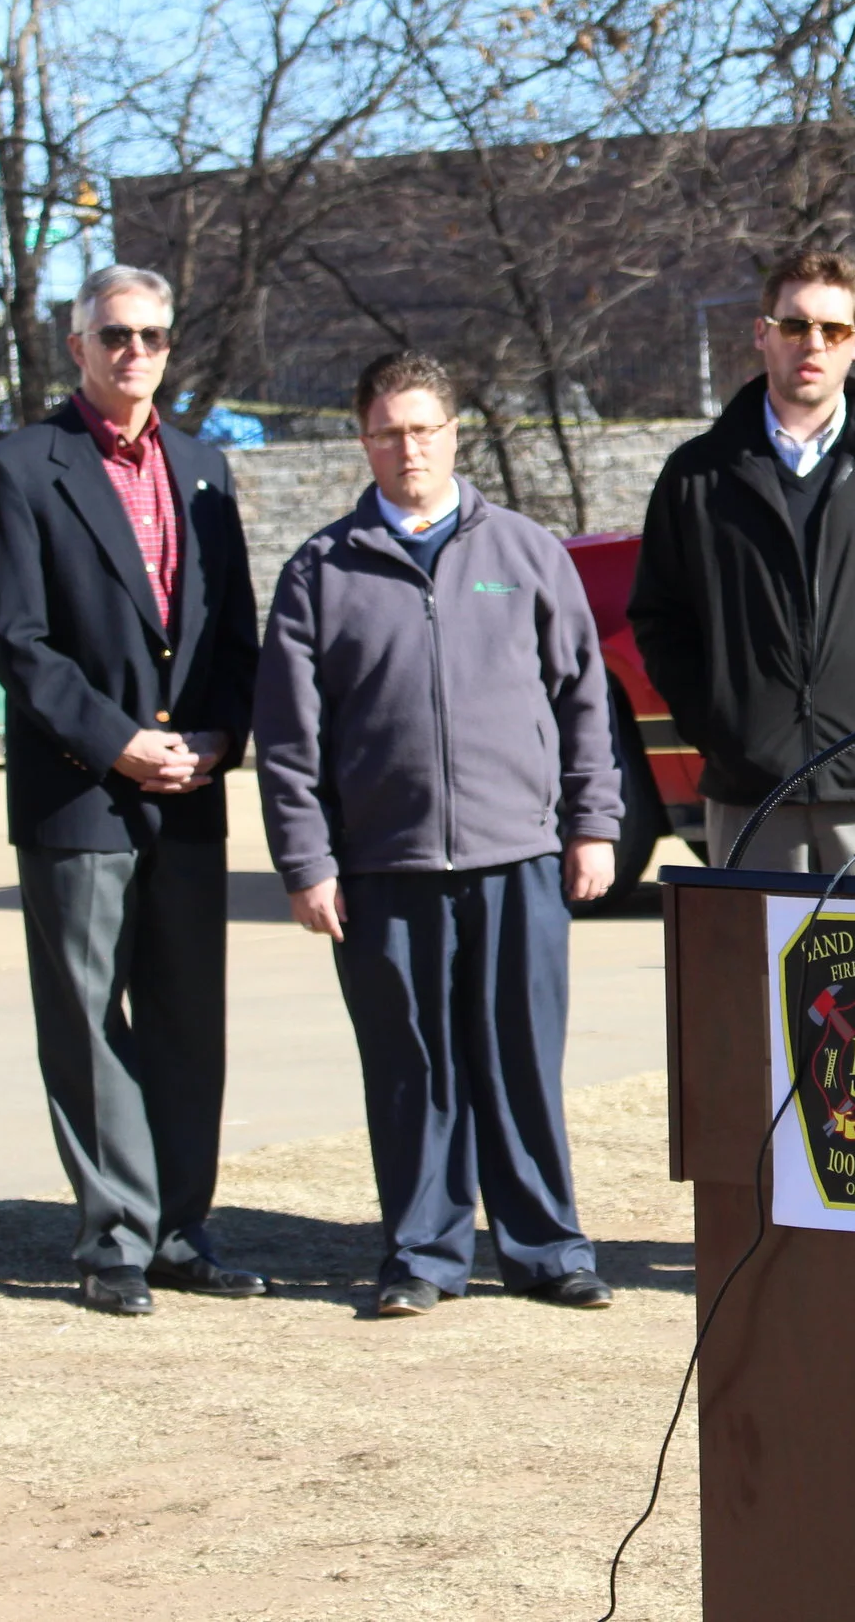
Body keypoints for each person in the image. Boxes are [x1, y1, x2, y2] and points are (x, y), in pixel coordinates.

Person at [253, 352, 623, 1319]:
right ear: (363, 440)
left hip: (518, 857)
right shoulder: (320, 572)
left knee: (522, 1063)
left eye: (423, 428)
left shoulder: (527, 553)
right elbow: (290, 742)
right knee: (413, 1068)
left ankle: (547, 1247)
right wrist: (307, 862)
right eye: (387, 430)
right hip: (383, 868)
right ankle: (423, 1253)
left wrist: (594, 826)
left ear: (454, 432)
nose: (407, 447)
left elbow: (586, 700)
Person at [0, 264, 265, 1316]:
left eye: (150, 334)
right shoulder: (17, 467)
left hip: (192, 785)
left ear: (170, 346)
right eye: (113, 335)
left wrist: (221, 738)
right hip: (81, 787)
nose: (133, 351)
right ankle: (113, 1241)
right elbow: (17, 642)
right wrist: (121, 743)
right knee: (90, 1022)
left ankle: (182, 1228)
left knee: (190, 1017)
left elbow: (235, 629)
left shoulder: (203, 466)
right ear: (78, 346)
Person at [627, 246, 855, 874]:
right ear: (762, 334)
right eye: (795, 325)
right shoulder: (697, 474)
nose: (813, 344)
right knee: (758, 973)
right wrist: (720, 725)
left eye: (831, 329)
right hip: (752, 796)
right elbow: (661, 619)